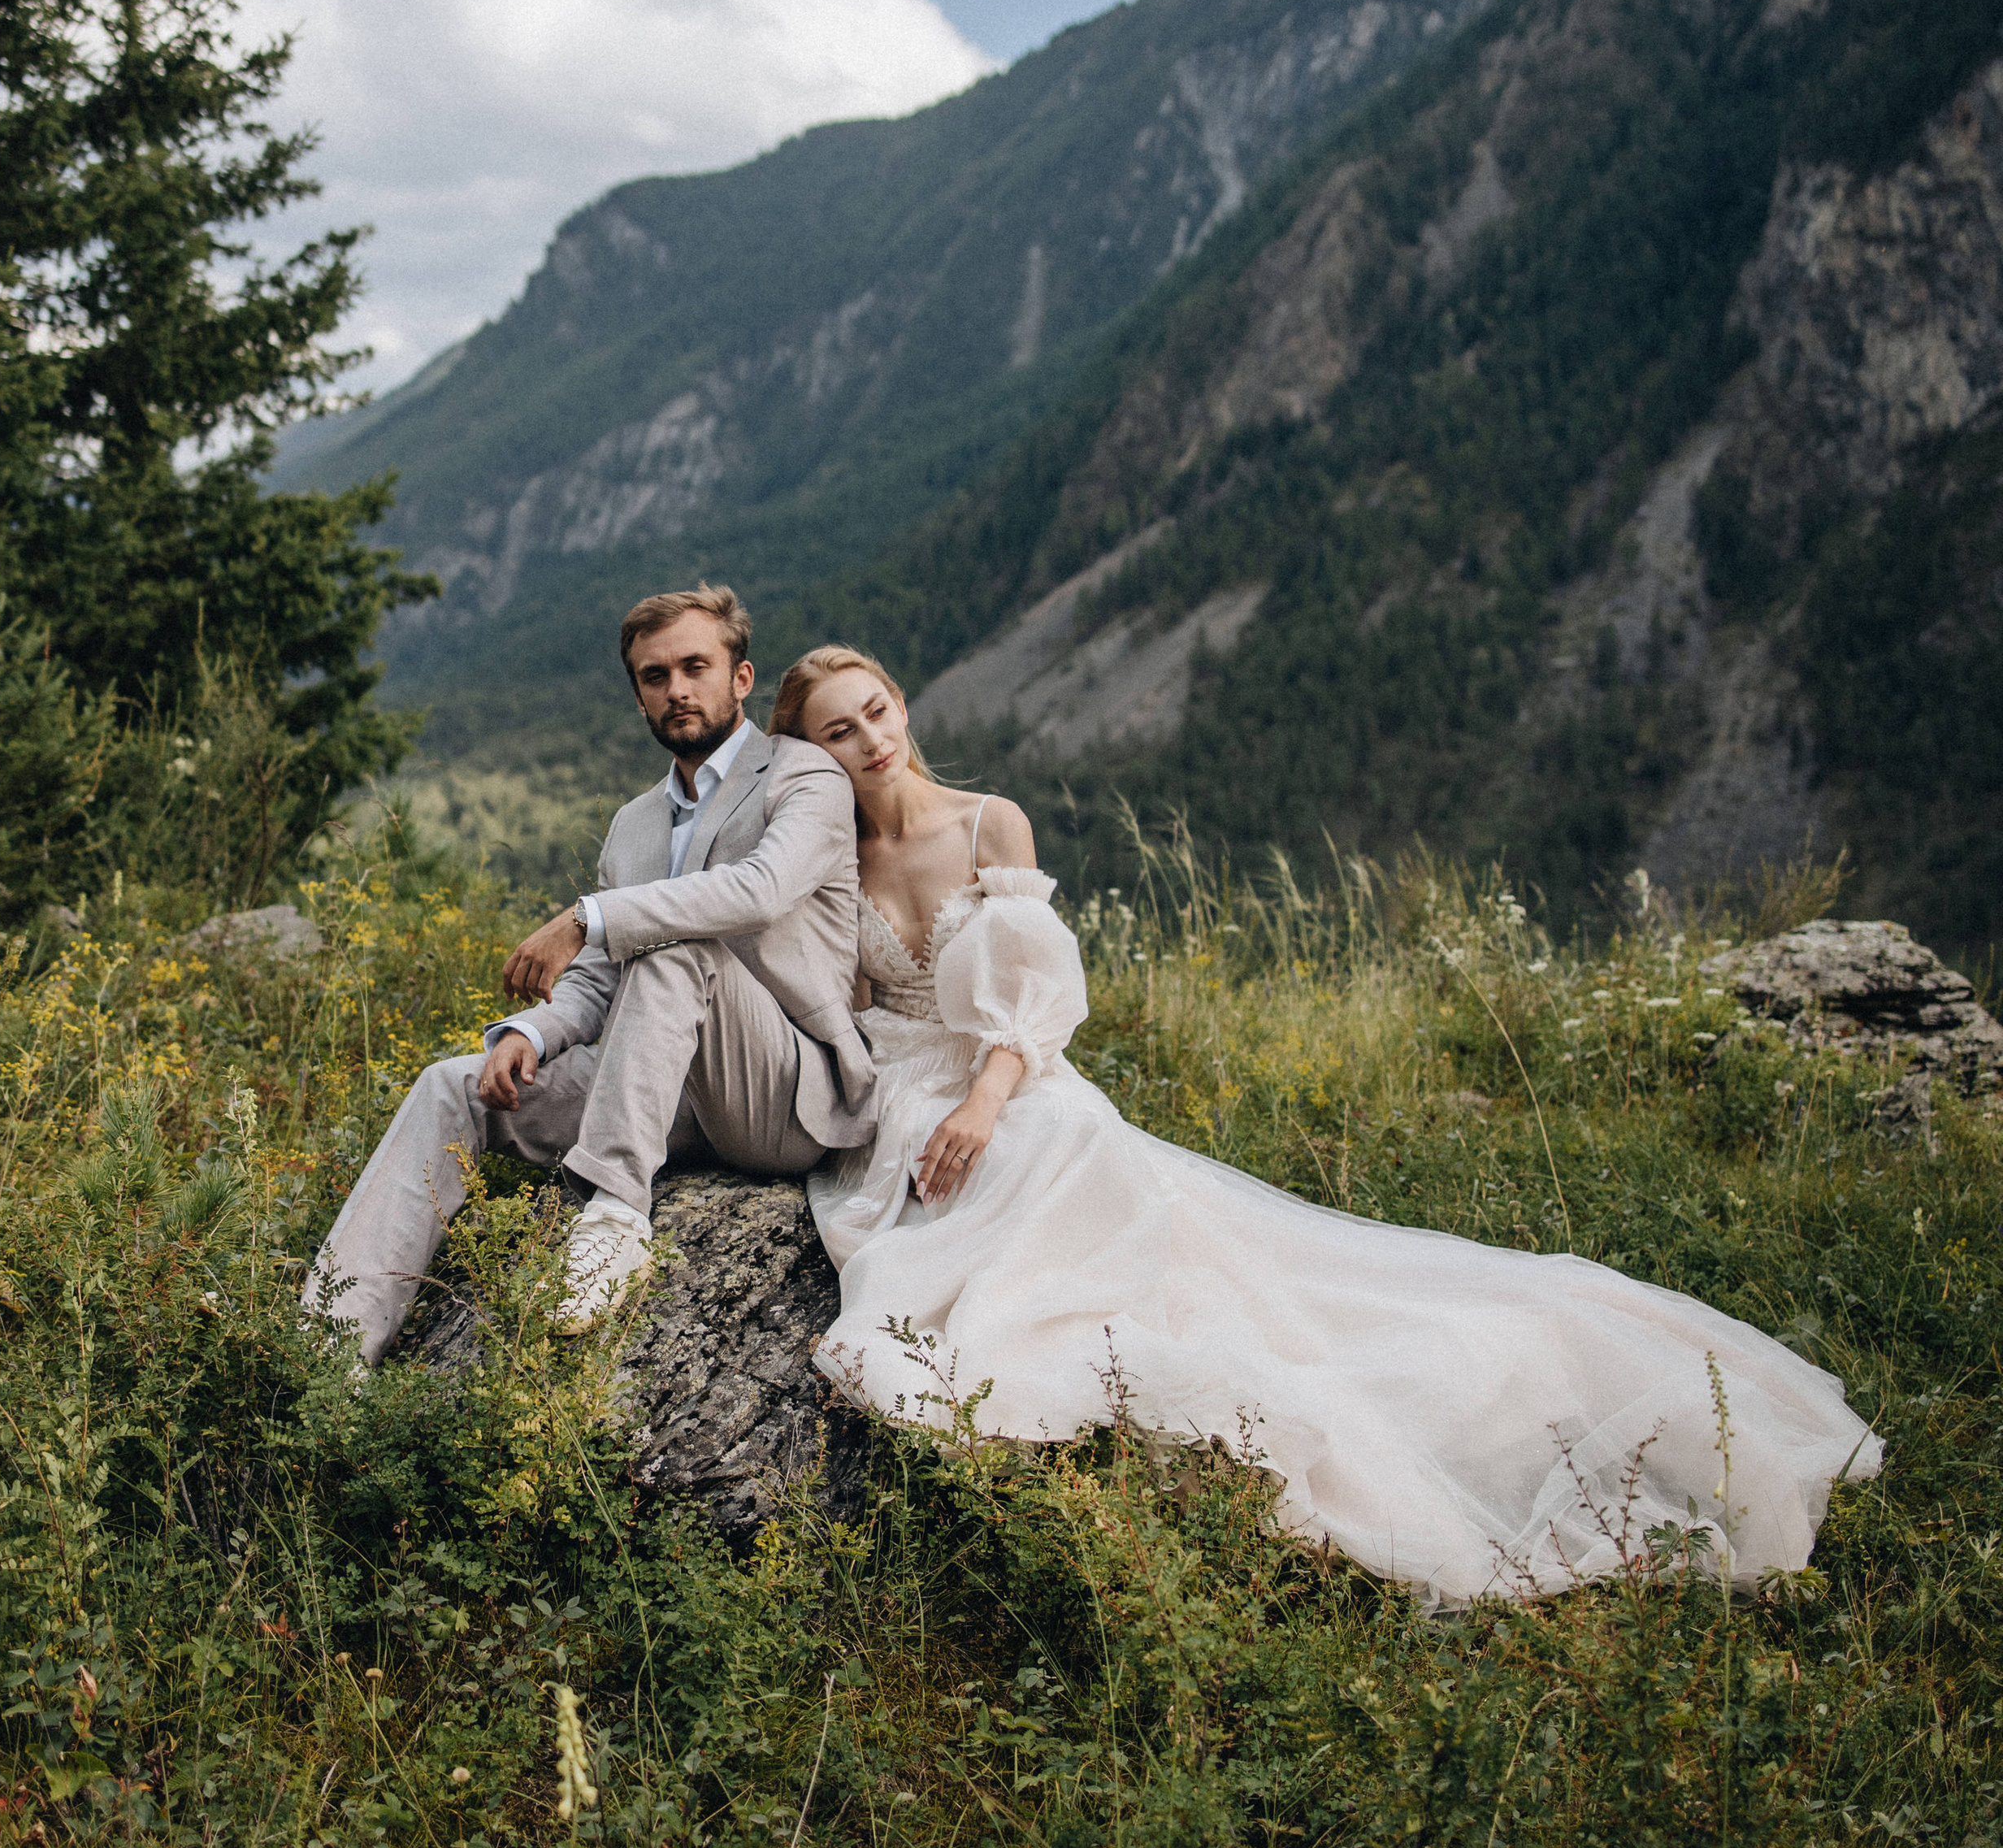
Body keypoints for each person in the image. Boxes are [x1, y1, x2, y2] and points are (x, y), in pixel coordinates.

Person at [767, 642, 1883, 1609]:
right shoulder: (838, 867)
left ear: (903, 706)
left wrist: (985, 1098)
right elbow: (847, 1008)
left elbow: (1041, 992)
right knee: (936, 1222)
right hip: (904, 1084)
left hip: (1010, 1072)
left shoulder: (985, 822)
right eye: (839, 730)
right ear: (814, 755)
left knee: (1065, 1148)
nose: (869, 737)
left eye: (878, 710)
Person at [304, 586, 871, 1369]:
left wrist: (585, 916)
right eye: (654, 675)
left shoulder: (804, 776)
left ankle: (612, 1223)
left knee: (680, 947)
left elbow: (758, 892)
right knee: (452, 1086)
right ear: (637, 693)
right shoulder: (634, 824)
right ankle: (329, 1347)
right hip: (661, 1088)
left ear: (740, 679)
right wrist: (532, 1032)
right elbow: (600, 978)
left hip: (782, 1089)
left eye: (696, 667)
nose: (676, 689)